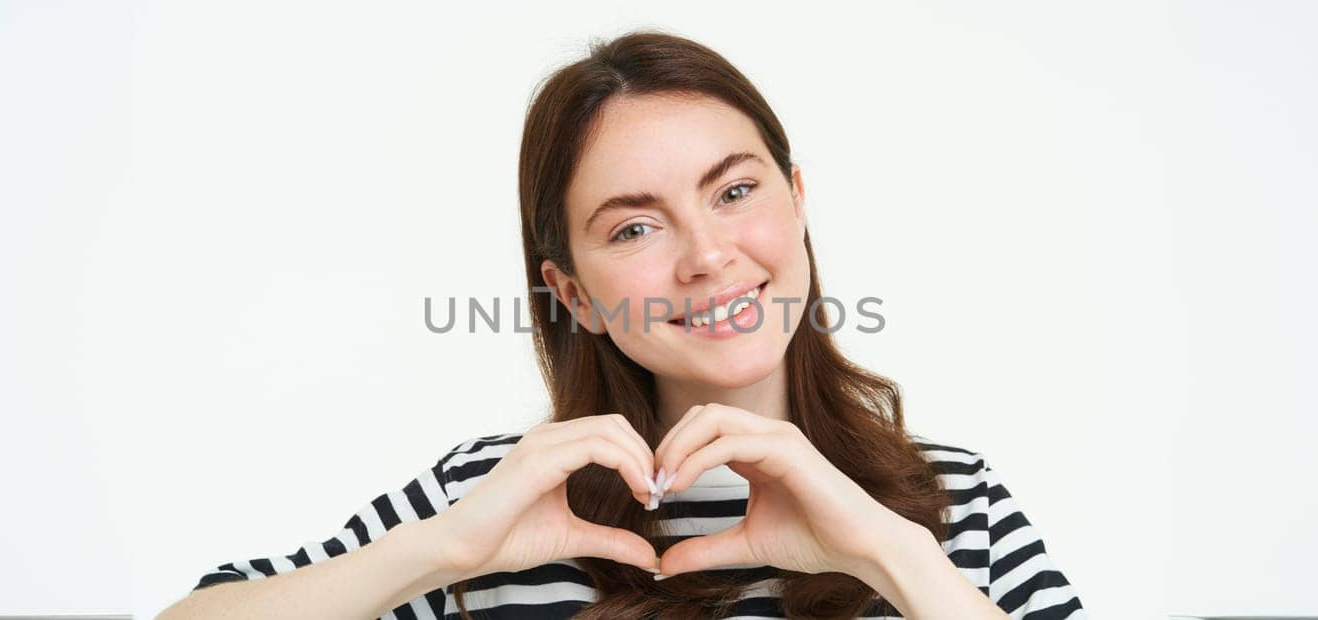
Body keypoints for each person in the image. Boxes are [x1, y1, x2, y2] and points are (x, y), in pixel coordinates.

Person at [158, 30, 1085, 620]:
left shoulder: (949, 503)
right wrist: (438, 553)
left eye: (734, 190)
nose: (707, 256)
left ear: (797, 201)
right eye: (635, 226)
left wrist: (890, 553)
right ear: (571, 289)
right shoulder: (498, 502)